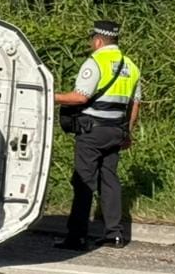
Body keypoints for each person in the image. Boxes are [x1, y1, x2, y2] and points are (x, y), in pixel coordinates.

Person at [54, 20, 141, 250]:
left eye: (93, 39)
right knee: (109, 179)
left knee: (83, 180)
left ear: (99, 40)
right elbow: (135, 104)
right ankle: (114, 234)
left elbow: (80, 97)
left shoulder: (95, 62)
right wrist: (127, 133)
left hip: (92, 131)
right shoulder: (130, 66)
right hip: (115, 132)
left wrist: (51, 96)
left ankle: (77, 236)